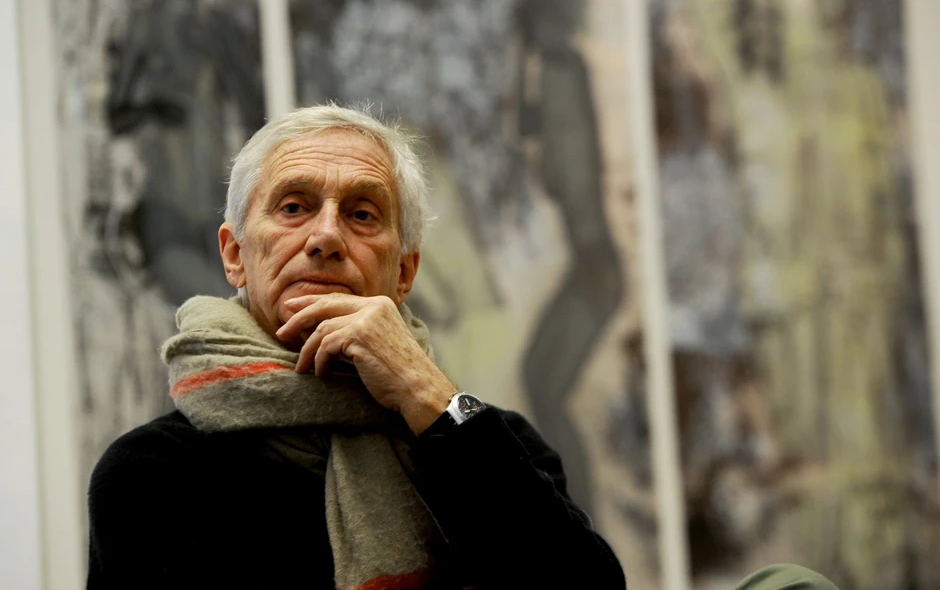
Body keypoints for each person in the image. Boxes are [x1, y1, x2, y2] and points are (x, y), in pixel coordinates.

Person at [86, 104, 627, 590]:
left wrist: (427, 394)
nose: (326, 237)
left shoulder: (492, 443)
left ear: (404, 273)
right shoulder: (153, 472)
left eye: (362, 214)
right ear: (235, 255)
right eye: (293, 207)